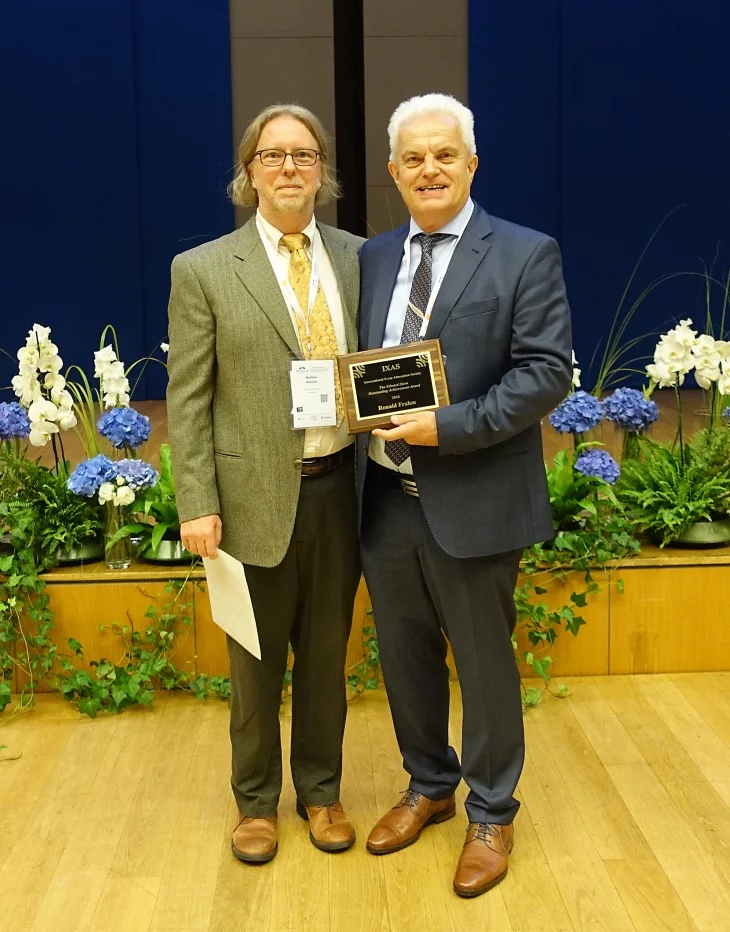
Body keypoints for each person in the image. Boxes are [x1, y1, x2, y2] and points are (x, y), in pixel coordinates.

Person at [357, 93, 572, 897]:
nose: (430, 169)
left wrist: (445, 427)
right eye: (413, 158)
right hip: (383, 498)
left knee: (483, 666)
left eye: (445, 154)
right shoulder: (375, 257)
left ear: (472, 162)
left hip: (475, 493)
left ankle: (492, 811)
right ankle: (429, 786)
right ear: (393, 171)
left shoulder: (523, 252)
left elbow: (545, 373)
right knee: (405, 659)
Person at [166, 104, 363, 864]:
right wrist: (197, 503)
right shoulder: (204, 269)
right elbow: (187, 398)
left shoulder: (356, 257)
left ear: (322, 171)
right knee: (252, 662)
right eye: (273, 155)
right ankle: (254, 803)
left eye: (304, 155)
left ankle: (320, 791)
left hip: (339, 491)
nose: (289, 168)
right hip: (247, 501)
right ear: (249, 172)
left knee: (325, 655)